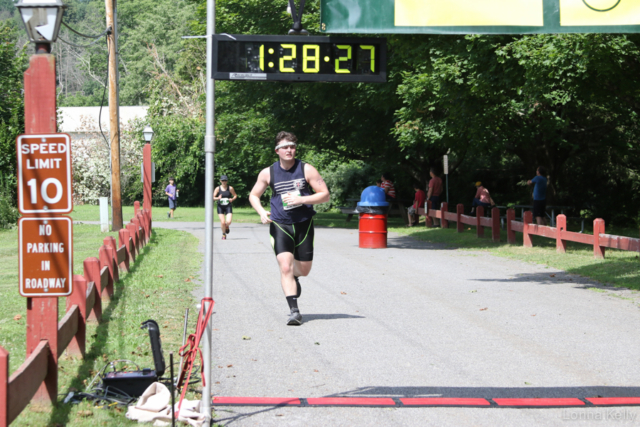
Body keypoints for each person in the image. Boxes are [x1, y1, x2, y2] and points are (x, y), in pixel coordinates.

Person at [249, 132, 330, 326]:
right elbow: (254, 195)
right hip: (280, 223)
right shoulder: (268, 173)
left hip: (304, 223)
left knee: (304, 269)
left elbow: (325, 194)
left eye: (292, 146)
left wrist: (302, 199)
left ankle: (295, 276)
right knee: (284, 264)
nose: (289, 150)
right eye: (285, 147)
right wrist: (261, 211)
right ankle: (294, 311)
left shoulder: (307, 169)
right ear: (277, 150)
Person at [213, 175, 237, 240]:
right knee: (223, 222)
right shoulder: (218, 188)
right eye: (223, 180)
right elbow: (213, 197)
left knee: (228, 221)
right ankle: (224, 234)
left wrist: (232, 199)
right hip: (220, 206)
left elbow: (235, 195)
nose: (224, 182)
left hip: (228, 206)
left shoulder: (230, 188)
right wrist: (218, 198)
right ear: (220, 181)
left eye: (225, 180)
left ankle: (227, 226)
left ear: (227, 181)